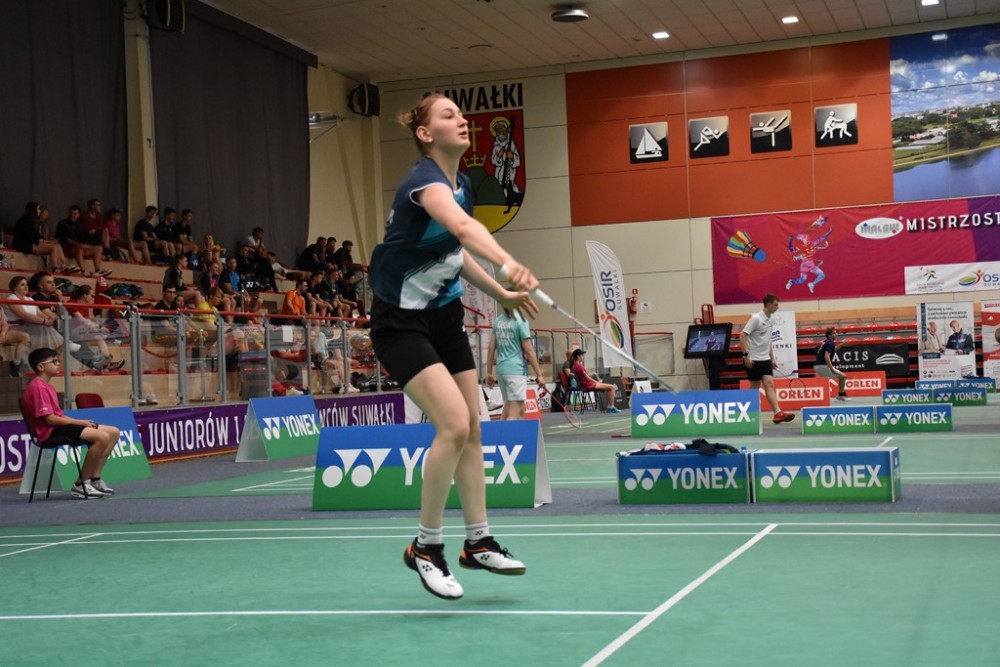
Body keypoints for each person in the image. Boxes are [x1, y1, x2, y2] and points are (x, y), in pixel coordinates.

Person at [368, 93, 538, 600]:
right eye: (448, 115)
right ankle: (426, 547)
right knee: (454, 424)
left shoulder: (461, 184)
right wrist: (508, 261)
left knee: (474, 429)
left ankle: (477, 540)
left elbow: (454, 250)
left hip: (444, 318)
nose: (462, 121)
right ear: (425, 134)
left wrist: (499, 291)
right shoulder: (423, 184)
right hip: (400, 322)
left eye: (462, 114)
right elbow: (463, 228)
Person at [21, 347, 121, 499]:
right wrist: (79, 422)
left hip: (59, 426)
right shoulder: (37, 387)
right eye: (54, 361)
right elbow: (50, 419)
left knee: (113, 432)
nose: (58, 363)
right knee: (102, 438)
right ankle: (80, 484)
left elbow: (57, 416)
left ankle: (95, 479)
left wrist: (78, 423)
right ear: (41, 367)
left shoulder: (48, 386)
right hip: (50, 431)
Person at [740, 293, 795, 424]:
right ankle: (747, 414)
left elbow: (767, 339)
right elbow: (742, 335)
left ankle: (778, 413)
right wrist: (746, 355)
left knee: (769, 384)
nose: (777, 307)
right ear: (769, 305)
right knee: (754, 387)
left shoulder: (770, 319)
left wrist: (772, 358)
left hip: (765, 359)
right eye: (776, 305)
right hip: (753, 359)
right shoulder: (756, 318)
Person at [485, 308, 546, 419]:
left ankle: (503, 429)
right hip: (516, 371)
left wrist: (489, 373)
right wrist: (539, 375)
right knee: (517, 412)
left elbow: (491, 348)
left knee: (510, 408)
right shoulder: (521, 321)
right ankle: (509, 430)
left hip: (501, 371)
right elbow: (529, 350)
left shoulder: (497, 321)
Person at [13, 201, 71, 271]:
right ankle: (55, 267)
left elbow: (37, 235)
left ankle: (63, 264)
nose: (39, 211)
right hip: (24, 245)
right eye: (38, 209)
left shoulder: (32, 221)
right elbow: (33, 237)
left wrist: (48, 241)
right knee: (53, 247)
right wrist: (46, 242)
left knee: (57, 245)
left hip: (31, 243)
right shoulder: (25, 221)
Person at [569, 348, 620, 413]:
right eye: (582, 355)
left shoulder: (576, 365)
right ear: (578, 356)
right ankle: (611, 407)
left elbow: (585, 376)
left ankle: (609, 407)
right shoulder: (578, 366)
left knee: (610, 388)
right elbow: (587, 378)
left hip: (587, 384)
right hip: (588, 385)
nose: (583, 357)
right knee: (612, 387)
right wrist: (597, 382)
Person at [813, 327, 848, 401]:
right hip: (822, 366)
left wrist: (842, 345)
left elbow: (833, 349)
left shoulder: (827, 342)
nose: (836, 334)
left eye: (836, 333)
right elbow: (826, 356)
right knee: (843, 377)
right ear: (829, 335)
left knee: (843, 377)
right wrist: (832, 369)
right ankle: (840, 395)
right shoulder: (830, 343)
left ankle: (841, 395)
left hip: (818, 366)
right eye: (834, 333)